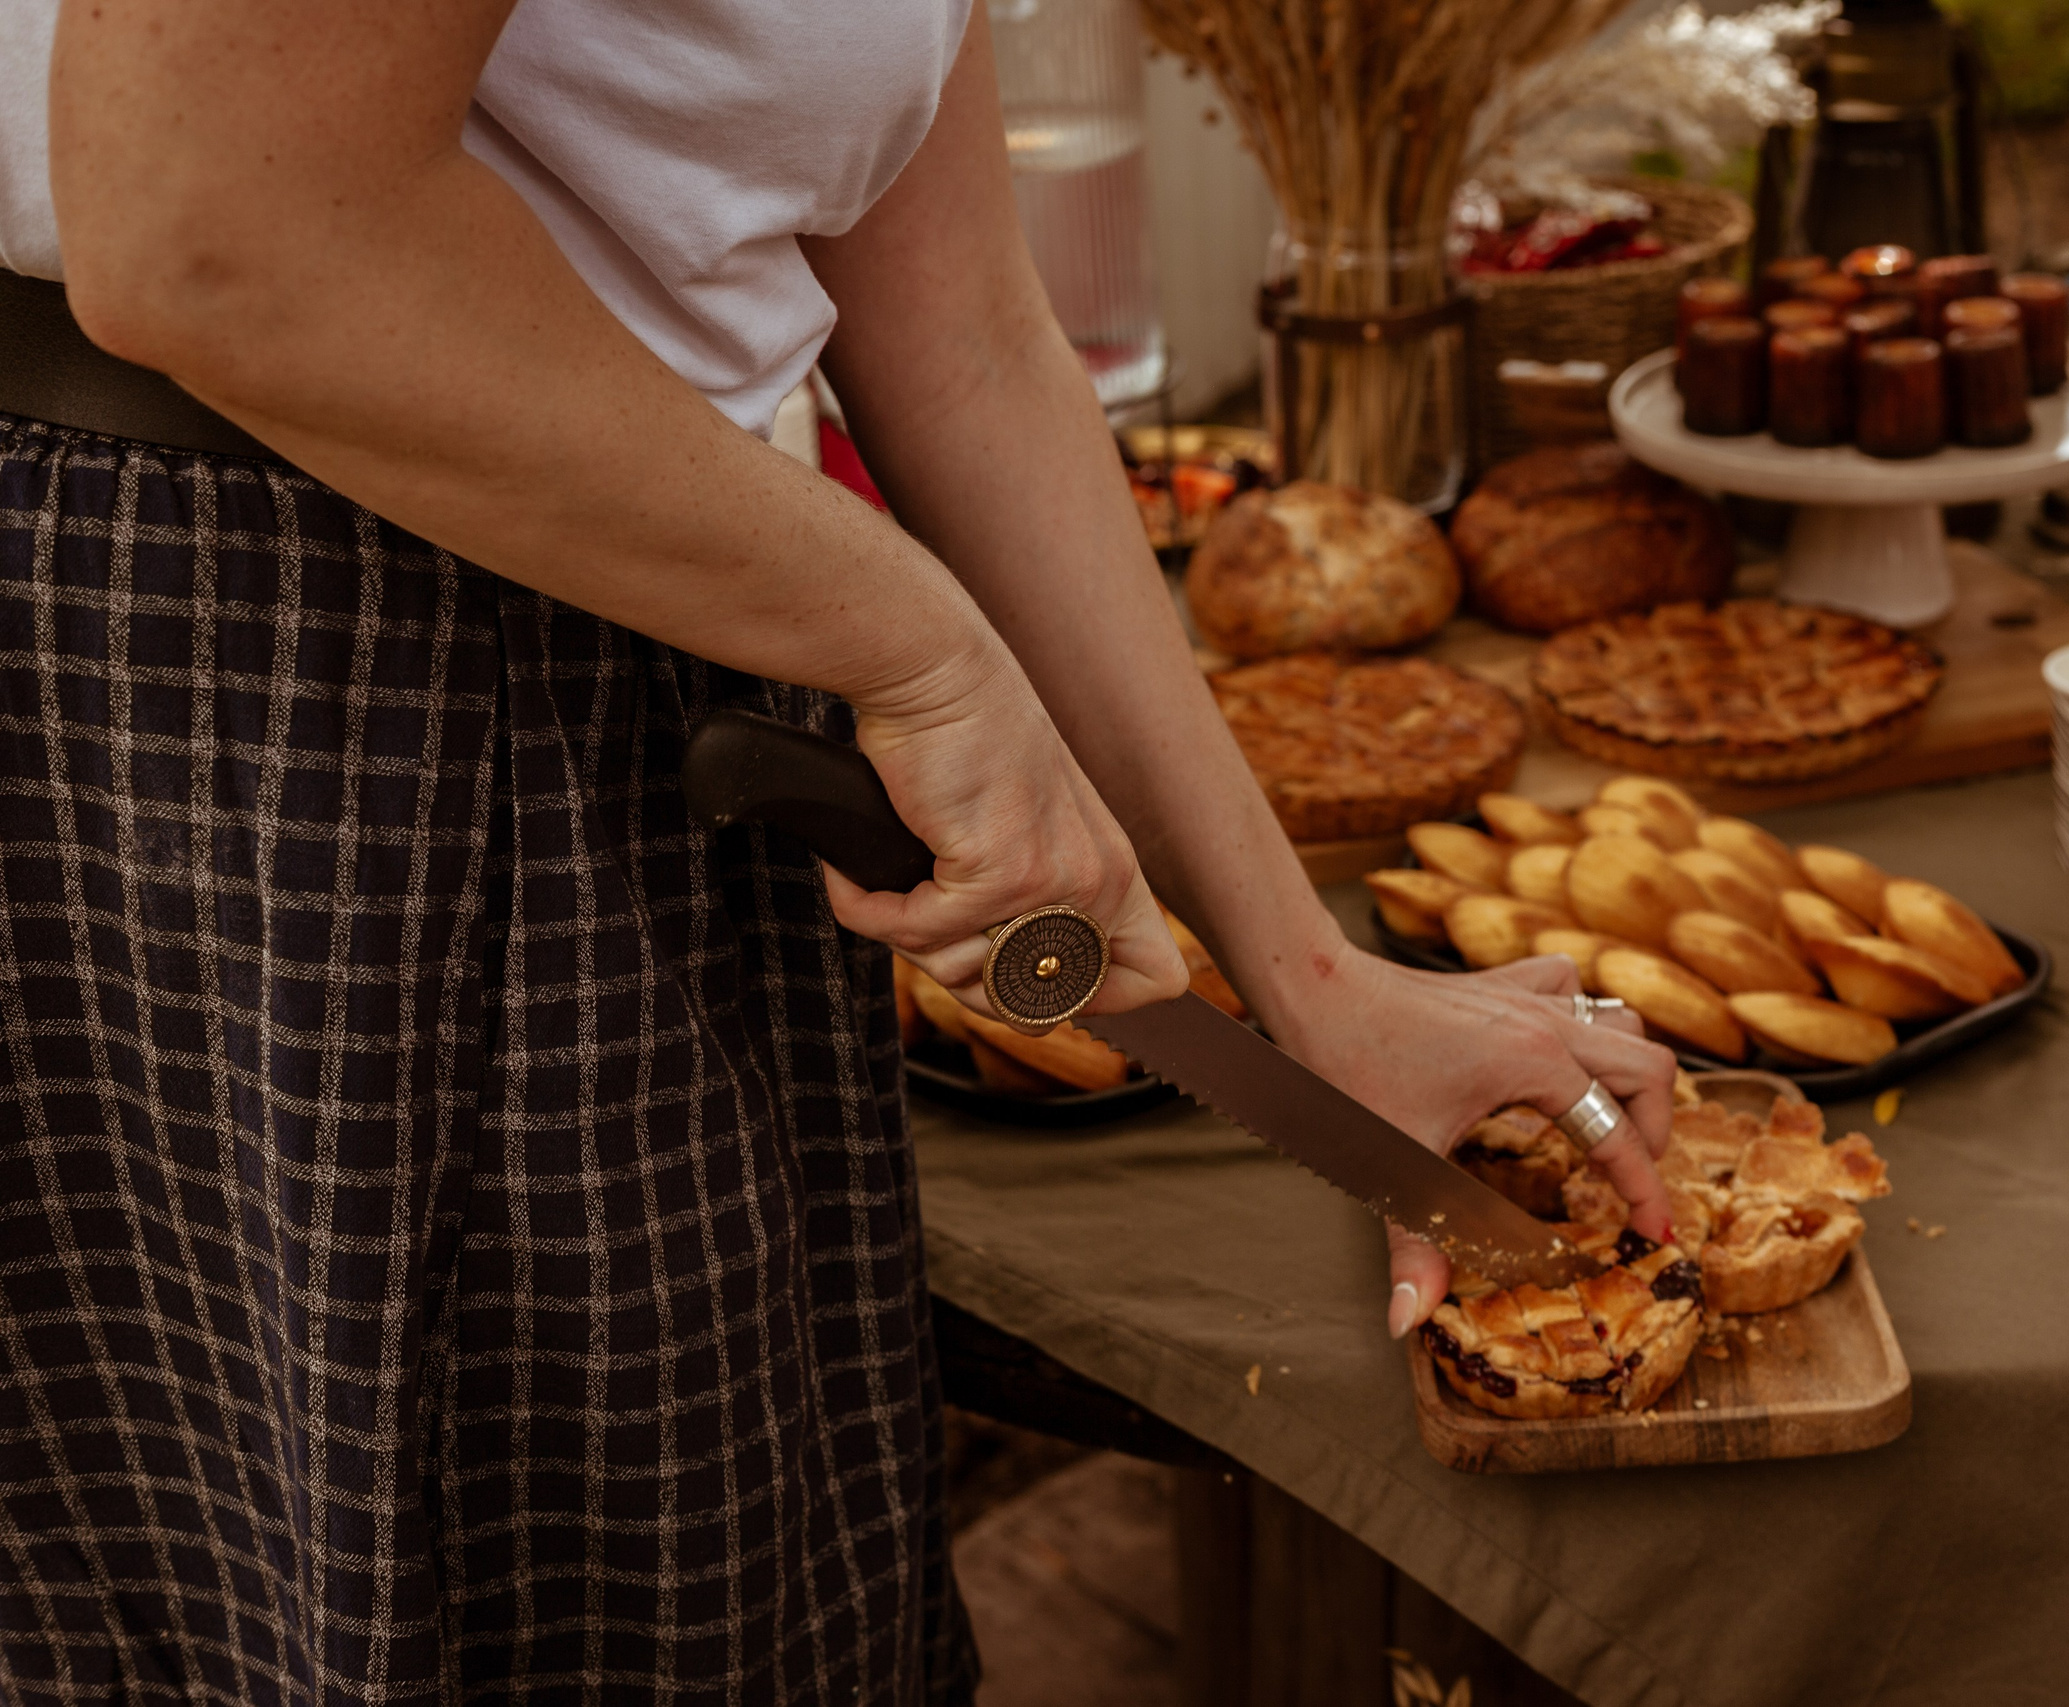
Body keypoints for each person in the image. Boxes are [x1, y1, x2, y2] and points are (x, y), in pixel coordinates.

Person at [0, 0, 1681, 1699]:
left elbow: (960, 333)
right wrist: (921, 649)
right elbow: (218, 230)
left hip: (674, 607)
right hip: (276, 694)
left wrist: (1310, 986)